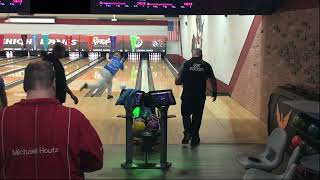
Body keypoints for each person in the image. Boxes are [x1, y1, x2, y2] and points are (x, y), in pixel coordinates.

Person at [0, 61, 103, 179]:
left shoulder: (2, 118)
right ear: (54, 83)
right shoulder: (73, 118)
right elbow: (96, 161)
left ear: (24, 85)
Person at [175, 48, 217, 147]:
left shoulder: (186, 64)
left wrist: (181, 81)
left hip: (187, 95)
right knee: (197, 117)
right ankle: (194, 136)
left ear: (192, 54)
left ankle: (187, 133)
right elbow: (213, 80)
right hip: (200, 97)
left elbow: (177, 81)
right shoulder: (206, 65)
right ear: (201, 55)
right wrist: (215, 92)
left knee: (186, 115)